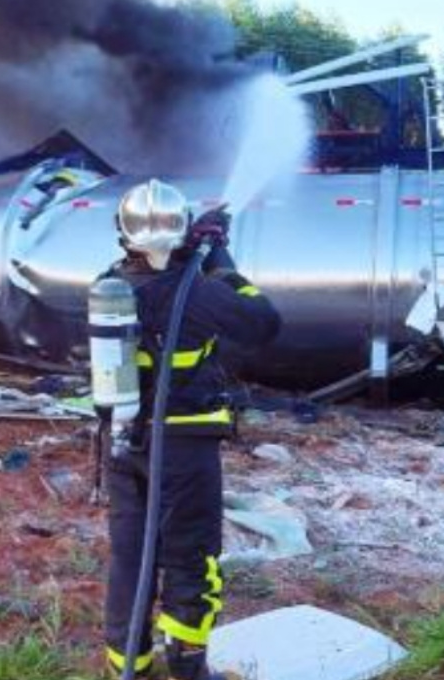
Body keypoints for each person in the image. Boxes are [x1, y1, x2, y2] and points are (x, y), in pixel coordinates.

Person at [101, 179, 281, 680]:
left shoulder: (108, 286)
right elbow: (264, 322)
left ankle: (127, 666)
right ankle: (188, 668)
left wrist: (192, 258)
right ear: (181, 233)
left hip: (122, 442)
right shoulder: (201, 293)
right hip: (183, 446)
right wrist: (220, 255)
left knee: (130, 559)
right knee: (191, 557)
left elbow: (160, 292)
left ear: (123, 233)